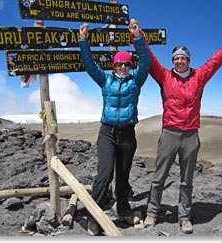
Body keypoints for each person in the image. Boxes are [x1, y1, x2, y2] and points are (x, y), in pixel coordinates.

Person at [135, 17, 222, 234]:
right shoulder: (164, 76)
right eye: (176, 58)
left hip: (190, 135)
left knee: (186, 179)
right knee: (159, 176)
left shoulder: (200, 76)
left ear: (188, 60)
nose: (179, 61)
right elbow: (147, 57)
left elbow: (218, 58)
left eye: (183, 58)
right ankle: (152, 213)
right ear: (173, 61)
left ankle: (184, 217)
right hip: (169, 132)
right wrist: (138, 37)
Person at [79, 20, 151, 235]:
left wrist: (137, 37)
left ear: (130, 66)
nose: (122, 67)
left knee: (123, 175)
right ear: (114, 65)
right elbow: (89, 64)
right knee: (104, 174)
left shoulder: (136, 81)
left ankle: (123, 209)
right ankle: (95, 214)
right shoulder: (105, 80)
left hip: (127, 134)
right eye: (119, 64)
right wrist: (84, 40)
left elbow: (146, 62)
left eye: (126, 64)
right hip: (107, 132)